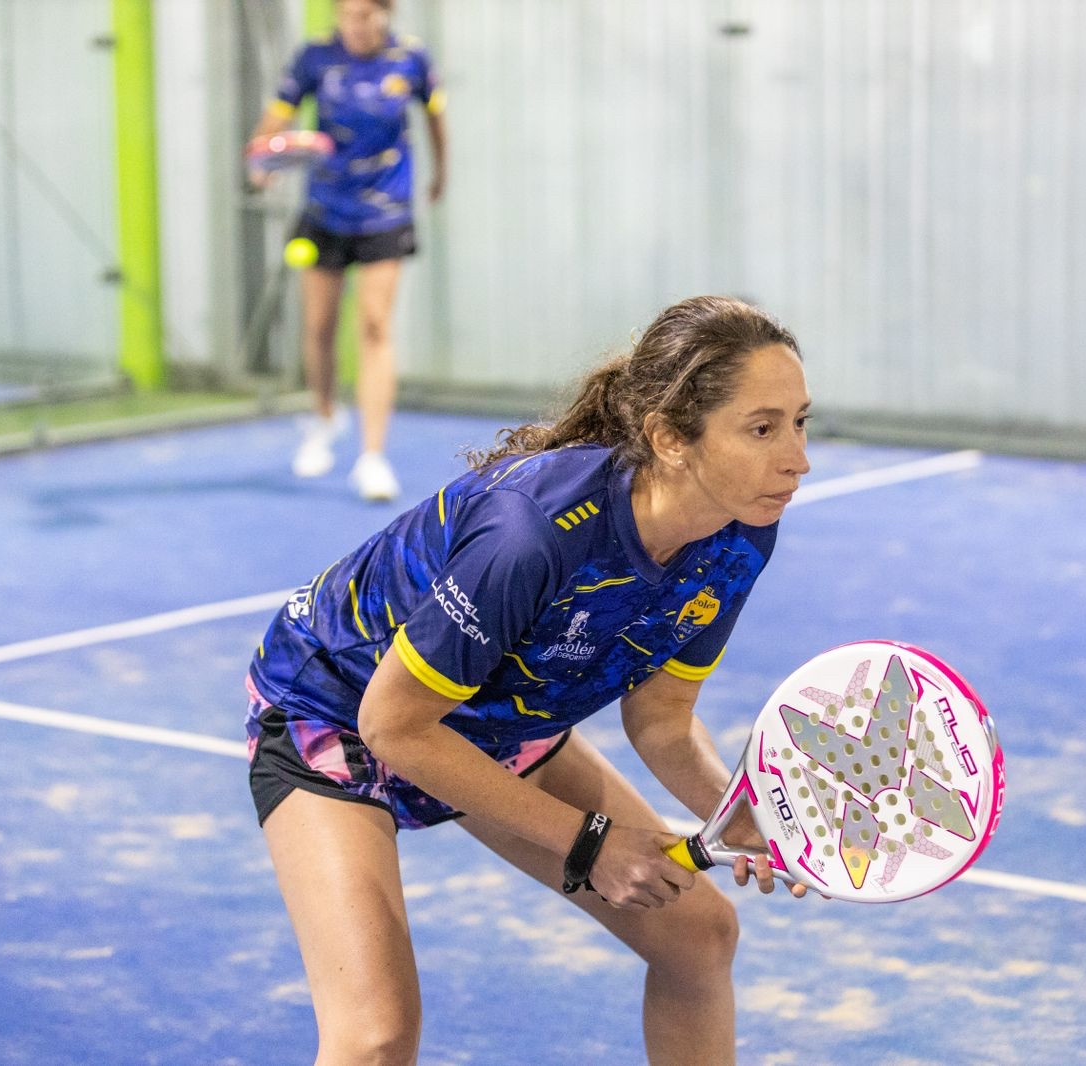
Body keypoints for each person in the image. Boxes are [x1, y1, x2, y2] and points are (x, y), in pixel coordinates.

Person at [245, 295, 813, 1064]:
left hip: (491, 723)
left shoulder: (739, 534)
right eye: (762, 429)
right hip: (338, 712)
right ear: (670, 439)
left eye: (799, 422)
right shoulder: (531, 534)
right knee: (375, 1037)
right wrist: (591, 843)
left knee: (699, 938)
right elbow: (393, 726)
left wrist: (735, 811)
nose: (798, 459)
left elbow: (663, 721)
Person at [248, 0, 448, 502]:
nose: (357, 25)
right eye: (348, 14)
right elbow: (274, 120)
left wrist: (441, 171)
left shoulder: (411, 59)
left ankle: (372, 457)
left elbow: (435, 118)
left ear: (386, 13)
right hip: (324, 212)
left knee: (376, 326)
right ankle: (324, 416)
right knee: (319, 327)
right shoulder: (314, 58)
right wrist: (263, 158)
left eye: (366, 15)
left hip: (387, 211)